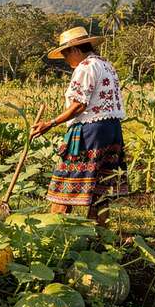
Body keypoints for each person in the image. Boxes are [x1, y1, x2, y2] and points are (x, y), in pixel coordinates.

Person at [30, 26, 130, 226]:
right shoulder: (107, 65)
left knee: (66, 182)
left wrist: (50, 123)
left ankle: (53, 231)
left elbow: (79, 105)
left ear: (75, 50)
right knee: (100, 185)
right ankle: (101, 232)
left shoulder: (84, 67)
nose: (67, 61)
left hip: (90, 130)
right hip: (112, 130)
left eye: (66, 55)